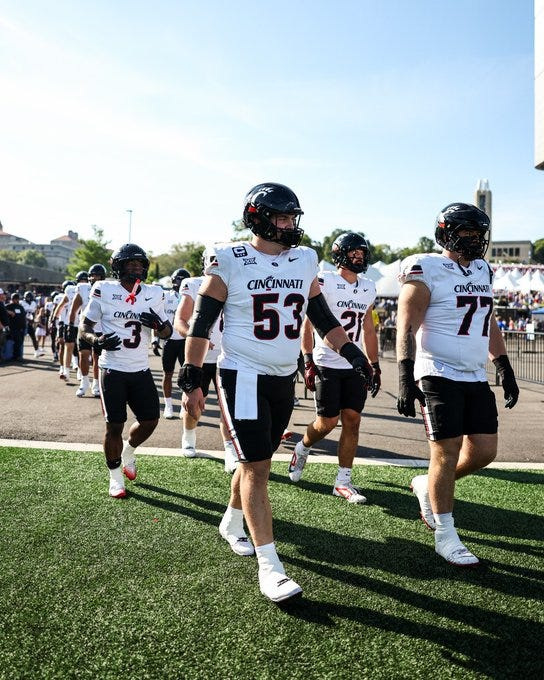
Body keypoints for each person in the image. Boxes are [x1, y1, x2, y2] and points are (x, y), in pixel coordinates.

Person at [180, 182, 373, 603]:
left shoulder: (305, 260)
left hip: (281, 377)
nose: (289, 225)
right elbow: (201, 321)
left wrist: (354, 353)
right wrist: (192, 376)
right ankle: (270, 566)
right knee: (258, 469)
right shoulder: (229, 258)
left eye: (291, 218)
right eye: (281, 218)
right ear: (258, 218)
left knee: (258, 462)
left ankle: (232, 522)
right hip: (242, 375)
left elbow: (321, 316)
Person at [396, 202, 519, 567]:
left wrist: (504, 364)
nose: (473, 240)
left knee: (484, 451)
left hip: (473, 374)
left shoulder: (482, 268)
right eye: (466, 232)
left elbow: (488, 319)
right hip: (438, 372)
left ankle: (425, 484)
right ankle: (445, 535)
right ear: (445, 232)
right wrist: (405, 372)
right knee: (445, 452)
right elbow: (406, 323)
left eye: (478, 234)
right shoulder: (426, 267)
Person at [289, 233, 381, 502]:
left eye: (362, 253)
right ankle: (303, 446)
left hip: (355, 364)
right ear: (340, 254)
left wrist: (373, 363)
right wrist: (307, 359)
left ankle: (343, 480)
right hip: (326, 361)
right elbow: (309, 322)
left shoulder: (369, 287)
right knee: (327, 422)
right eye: (354, 253)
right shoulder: (324, 280)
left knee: (353, 420)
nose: (359, 257)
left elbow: (368, 328)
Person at [79, 244, 172, 498]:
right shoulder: (103, 289)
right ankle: (115, 476)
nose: (135, 267)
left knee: (151, 420)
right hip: (113, 370)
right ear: (118, 266)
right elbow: (84, 328)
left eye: (139, 263)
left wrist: (159, 325)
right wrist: (96, 341)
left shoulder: (154, 293)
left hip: (140, 369)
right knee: (114, 426)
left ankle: (128, 451)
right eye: (130, 263)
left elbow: (167, 332)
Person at [174, 253, 238, 473]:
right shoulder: (193, 284)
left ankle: (230, 449)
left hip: (229, 356)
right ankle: (189, 436)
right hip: (199, 358)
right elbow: (181, 320)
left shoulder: (238, 281)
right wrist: (197, 337)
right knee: (194, 406)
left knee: (227, 407)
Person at [69, 264, 107, 397]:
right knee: (83, 355)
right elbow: (74, 309)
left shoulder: (107, 289)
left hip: (100, 329)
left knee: (97, 358)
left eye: (96, 275)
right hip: (84, 328)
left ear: (102, 277)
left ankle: (96, 383)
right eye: (91, 275)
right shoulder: (83, 288)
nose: (93, 278)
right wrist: (70, 325)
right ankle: (84, 382)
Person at [158, 268, 191, 419]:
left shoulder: (191, 297)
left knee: (187, 375)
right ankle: (168, 405)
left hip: (185, 340)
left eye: (181, 279)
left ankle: (185, 405)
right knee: (168, 374)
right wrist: (155, 339)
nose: (177, 282)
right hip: (169, 340)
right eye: (176, 279)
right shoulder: (166, 296)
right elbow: (159, 318)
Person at [5, 293, 27, 361]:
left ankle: (17, 355)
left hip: (21, 327)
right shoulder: (8, 306)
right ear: (12, 299)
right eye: (15, 299)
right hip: (13, 327)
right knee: (17, 341)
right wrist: (9, 312)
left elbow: (23, 315)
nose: (16, 300)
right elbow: (2, 311)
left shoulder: (20, 307)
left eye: (17, 299)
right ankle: (16, 356)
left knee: (20, 342)